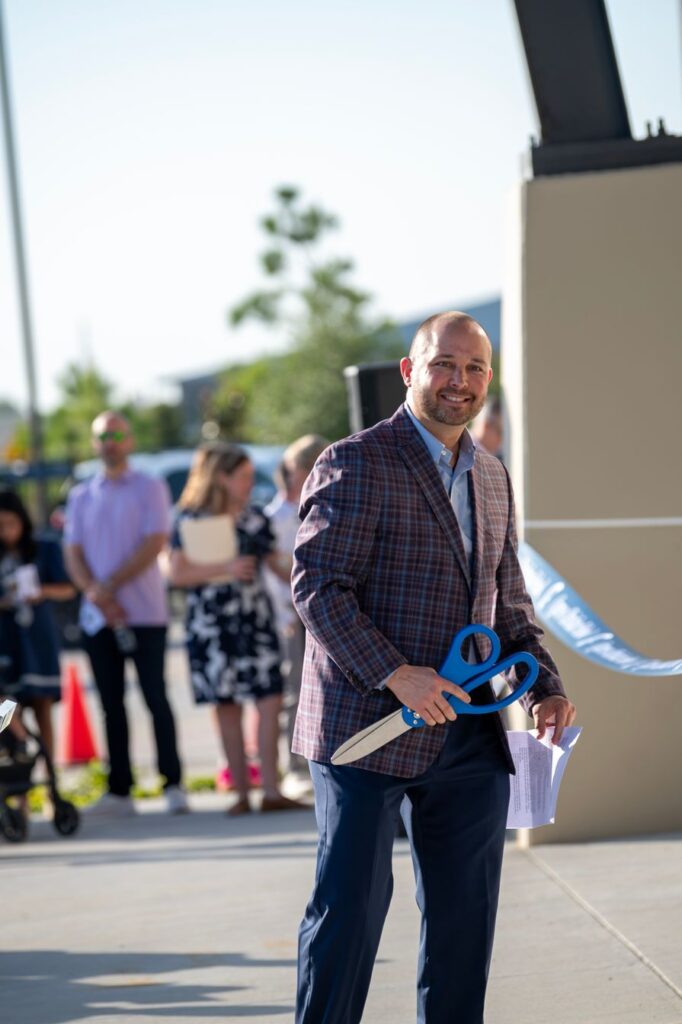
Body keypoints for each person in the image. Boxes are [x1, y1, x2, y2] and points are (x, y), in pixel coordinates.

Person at [291, 311, 576, 1024]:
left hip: (468, 735)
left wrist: (545, 684)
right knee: (349, 913)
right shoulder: (356, 460)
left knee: (464, 921)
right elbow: (318, 588)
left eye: (476, 368)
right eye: (445, 364)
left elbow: (507, 603)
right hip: (364, 727)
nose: (461, 381)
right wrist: (396, 672)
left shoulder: (490, 473)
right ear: (410, 371)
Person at [168, 442, 307, 816]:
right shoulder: (189, 518)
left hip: (254, 619)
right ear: (222, 477)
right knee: (226, 707)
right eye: (243, 476)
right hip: (212, 625)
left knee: (269, 700)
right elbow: (178, 573)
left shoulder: (255, 518)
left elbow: (278, 565)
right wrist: (225, 568)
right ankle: (242, 793)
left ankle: (272, 790)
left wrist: (310, 588)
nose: (249, 483)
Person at [63, 411, 187, 816]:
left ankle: (173, 783)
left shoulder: (149, 487)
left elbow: (155, 542)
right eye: (103, 435)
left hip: (145, 613)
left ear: (129, 440)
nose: (110, 441)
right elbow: (72, 551)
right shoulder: (82, 494)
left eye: (117, 434)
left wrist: (110, 585)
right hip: (98, 616)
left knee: (155, 698)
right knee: (110, 703)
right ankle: (120, 789)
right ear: (95, 442)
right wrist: (95, 592)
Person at [263, 434, 328, 791]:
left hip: (317, 612)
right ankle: (296, 766)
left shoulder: (327, 505)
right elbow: (273, 566)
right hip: (290, 614)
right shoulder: (276, 516)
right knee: (295, 689)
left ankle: (316, 759)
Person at [0, 490, 75, 758]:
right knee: (7, 705)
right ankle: (16, 762)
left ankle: (49, 773)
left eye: (10, 524)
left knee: (42, 704)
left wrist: (41, 592)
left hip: (36, 640)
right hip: (6, 643)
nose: (6, 532)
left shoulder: (43, 548)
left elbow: (68, 588)